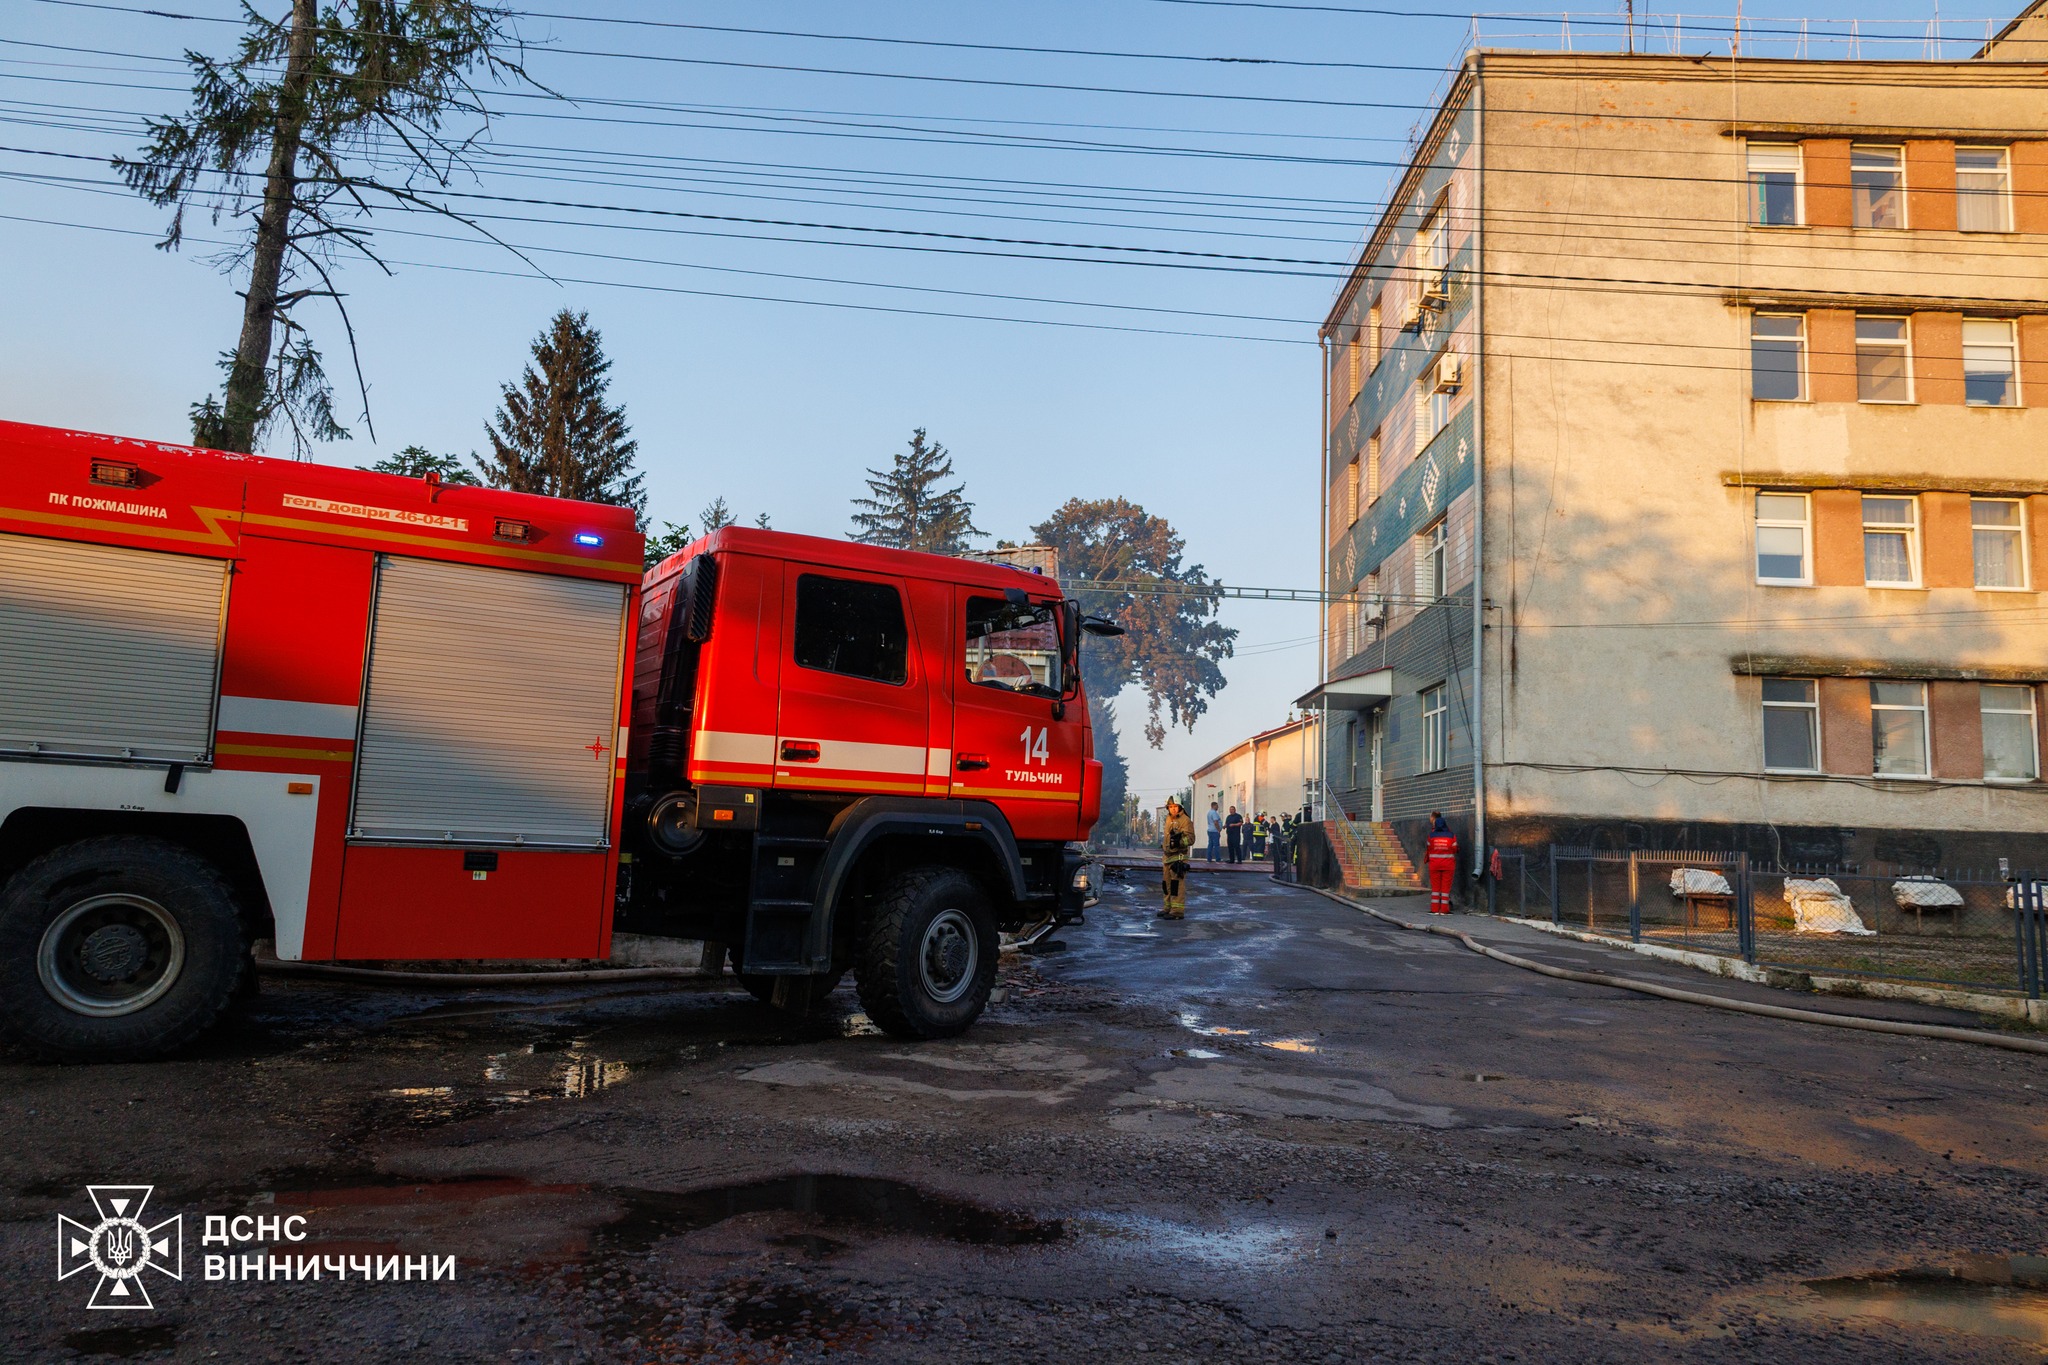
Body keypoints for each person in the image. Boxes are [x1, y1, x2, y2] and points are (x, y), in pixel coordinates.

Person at [1158, 796, 1194, 920]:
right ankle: (1168, 907)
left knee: (1176, 885)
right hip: (1167, 857)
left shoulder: (1185, 820)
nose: (1173, 809)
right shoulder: (1168, 819)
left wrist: (1180, 842)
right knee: (1166, 884)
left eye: (1175, 806)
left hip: (1178, 858)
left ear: (1180, 807)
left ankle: (1177, 912)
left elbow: (1191, 839)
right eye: (1170, 807)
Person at [1426, 810, 1457, 915]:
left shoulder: (1431, 836)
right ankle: (1444, 910)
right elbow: (1455, 849)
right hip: (1448, 865)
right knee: (1445, 888)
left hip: (1434, 865)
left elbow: (1428, 848)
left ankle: (1434, 909)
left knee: (1435, 888)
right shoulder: (1451, 836)